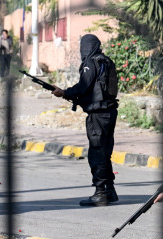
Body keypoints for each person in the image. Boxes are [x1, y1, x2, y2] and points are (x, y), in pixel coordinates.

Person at [52, 34, 119, 206]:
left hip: (98, 115)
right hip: (109, 112)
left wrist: (65, 92)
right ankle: (110, 190)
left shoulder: (91, 63)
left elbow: (84, 86)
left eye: (84, 46)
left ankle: (100, 193)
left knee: (97, 153)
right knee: (105, 152)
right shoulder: (106, 61)